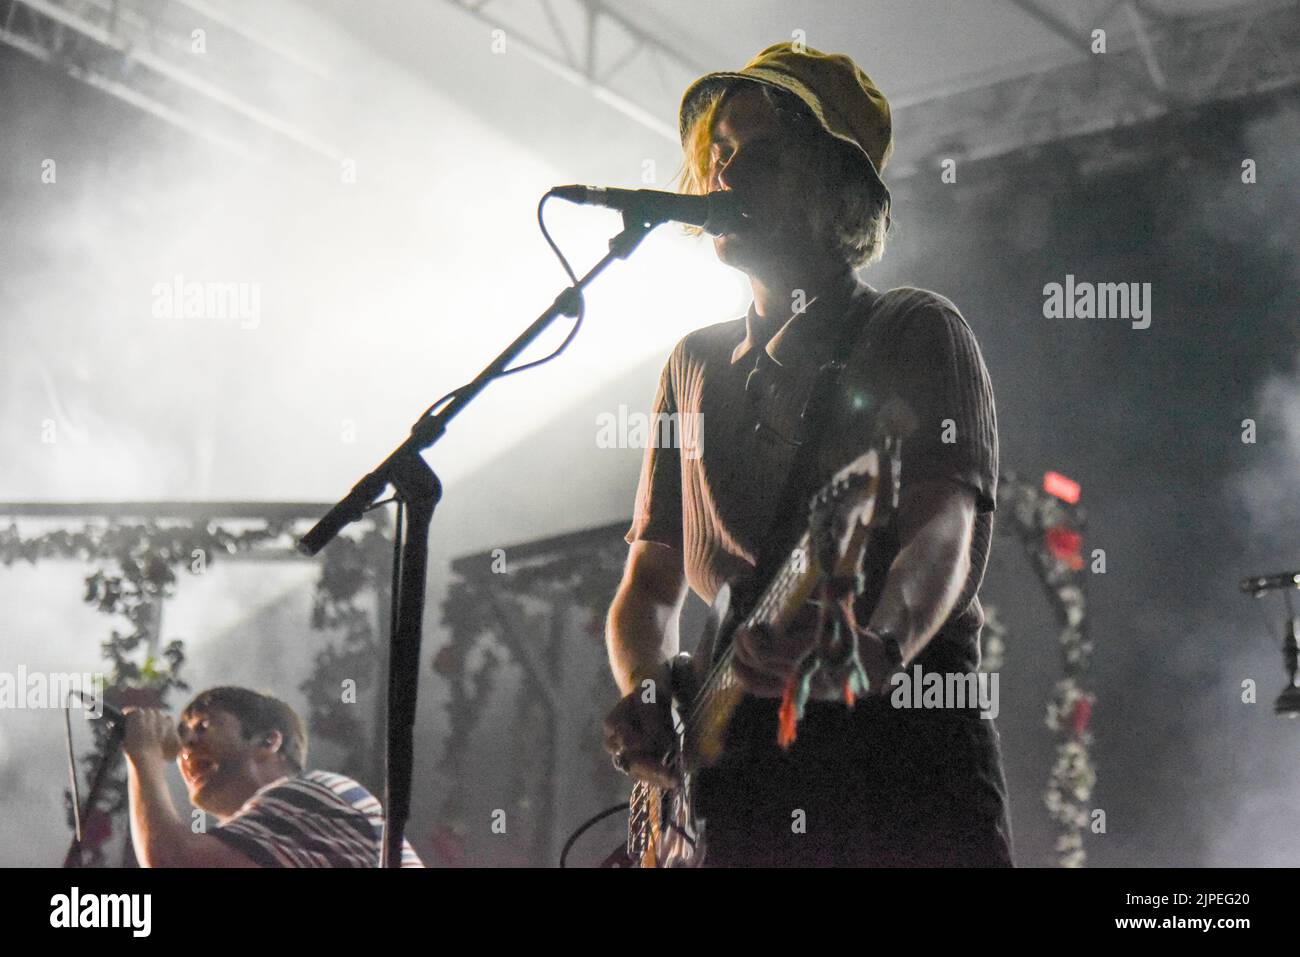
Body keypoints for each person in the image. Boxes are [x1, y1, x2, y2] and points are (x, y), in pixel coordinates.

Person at [601, 41, 1014, 866]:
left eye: (760, 152)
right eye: (720, 154)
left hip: (898, 761)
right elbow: (650, 583)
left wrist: (879, 644)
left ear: (838, 188)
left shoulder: (914, 328)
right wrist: (649, 694)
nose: (728, 172)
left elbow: (942, 528)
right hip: (738, 784)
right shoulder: (692, 362)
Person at [124, 685, 423, 867]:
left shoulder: (311, 794)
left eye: (203, 727)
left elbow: (174, 861)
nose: (186, 746)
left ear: (268, 741)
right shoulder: (264, 843)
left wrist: (144, 755)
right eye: (185, 735)